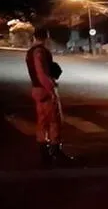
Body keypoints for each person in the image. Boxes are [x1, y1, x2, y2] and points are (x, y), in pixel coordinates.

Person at [25, 28, 75, 167]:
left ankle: (45, 154)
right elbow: (41, 72)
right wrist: (51, 88)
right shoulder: (39, 52)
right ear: (46, 37)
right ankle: (55, 152)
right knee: (54, 120)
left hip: (36, 89)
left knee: (42, 122)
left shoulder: (31, 52)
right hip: (44, 90)